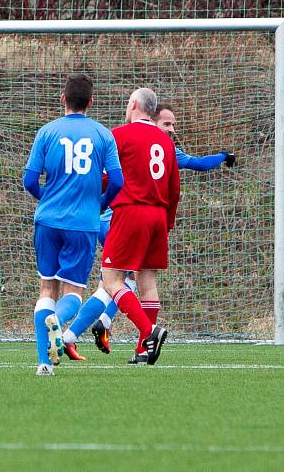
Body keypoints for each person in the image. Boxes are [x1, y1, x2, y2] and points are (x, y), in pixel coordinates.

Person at [61, 104, 236, 359]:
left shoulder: (152, 144)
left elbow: (104, 176)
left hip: (126, 218)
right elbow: (178, 180)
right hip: (121, 219)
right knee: (122, 282)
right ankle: (118, 329)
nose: (171, 129)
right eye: (166, 123)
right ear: (151, 119)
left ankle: (78, 334)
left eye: (173, 125)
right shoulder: (159, 146)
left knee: (113, 284)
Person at [23, 74, 123, 376]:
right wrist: (100, 205)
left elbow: (29, 180)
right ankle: (58, 322)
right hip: (83, 223)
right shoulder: (103, 135)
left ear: (62, 99)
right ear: (90, 102)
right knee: (73, 293)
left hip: (48, 220)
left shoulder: (46, 132)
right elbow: (117, 181)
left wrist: (47, 198)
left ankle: (43, 363)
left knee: (46, 289)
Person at [80, 88, 179, 366]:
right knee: (147, 282)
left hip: (130, 211)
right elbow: (174, 189)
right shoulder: (166, 142)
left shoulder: (119, 135)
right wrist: (167, 222)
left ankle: (149, 333)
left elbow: (104, 177)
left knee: (112, 280)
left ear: (134, 105)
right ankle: (142, 350)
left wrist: (93, 201)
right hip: (158, 215)